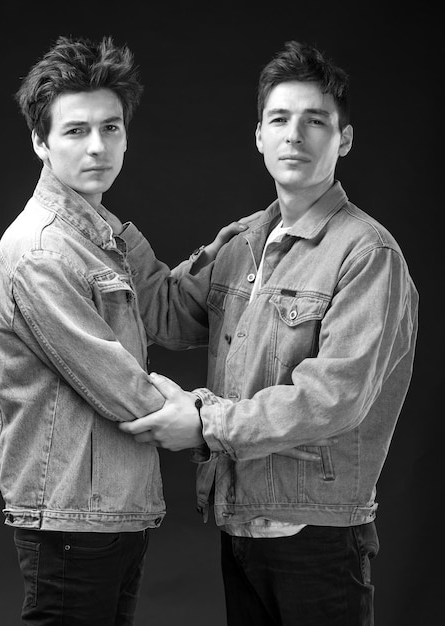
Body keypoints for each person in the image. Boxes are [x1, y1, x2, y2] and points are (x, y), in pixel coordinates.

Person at [118, 40, 419, 625]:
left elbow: (333, 396)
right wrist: (97, 217)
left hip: (318, 534)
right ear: (259, 135)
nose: (294, 135)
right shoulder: (245, 241)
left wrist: (204, 424)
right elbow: (165, 312)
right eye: (280, 119)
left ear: (344, 140)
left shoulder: (367, 253)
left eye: (316, 121)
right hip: (242, 521)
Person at [0, 34, 265, 625]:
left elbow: (168, 311)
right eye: (76, 131)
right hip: (69, 517)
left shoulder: (99, 233)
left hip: (111, 509)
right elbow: (118, 386)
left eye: (111, 128)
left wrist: (256, 230)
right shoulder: (42, 252)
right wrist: (209, 416)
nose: (98, 147)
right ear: (39, 141)